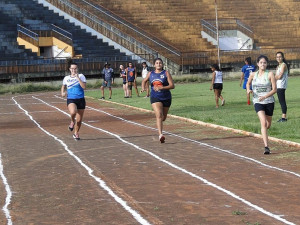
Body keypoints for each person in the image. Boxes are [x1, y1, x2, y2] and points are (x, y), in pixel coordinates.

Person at [246, 55, 277, 154]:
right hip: (257, 101)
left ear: (267, 64)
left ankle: (263, 131)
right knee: (263, 123)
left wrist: (265, 96)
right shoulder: (253, 74)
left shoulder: (270, 74)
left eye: (265, 63)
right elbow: (248, 83)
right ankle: (266, 147)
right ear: (257, 64)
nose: (263, 64)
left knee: (267, 125)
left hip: (269, 102)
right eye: (261, 62)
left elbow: (274, 89)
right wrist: (248, 89)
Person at [141, 58, 175, 143]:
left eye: (160, 63)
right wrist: (143, 88)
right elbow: (144, 81)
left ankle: (159, 123)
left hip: (166, 97)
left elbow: (172, 85)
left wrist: (162, 87)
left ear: (162, 64)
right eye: (157, 63)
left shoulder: (166, 73)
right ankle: (160, 135)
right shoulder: (150, 73)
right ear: (154, 65)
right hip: (155, 97)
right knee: (159, 115)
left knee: (163, 118)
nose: (158, 64)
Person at [61, 62, 86, 140]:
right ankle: (72, 121)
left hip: (81, 99)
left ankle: (76, 133)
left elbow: (84, 87)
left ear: (77, 69)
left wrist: (78, 78)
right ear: (70, 69)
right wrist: (62, 92)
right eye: (72, 68)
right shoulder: (66, 78)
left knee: (79, 120)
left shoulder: (81, 76)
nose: (74, 70)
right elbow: (63, 86)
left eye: (75, 68)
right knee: (73, 112)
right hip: (71, 99)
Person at [275, 51, 289, 122]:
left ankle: (283, 118)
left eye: (280, 57)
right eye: (277, 57)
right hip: (278, 85)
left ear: (282, 57)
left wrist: (272, 78)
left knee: (282, 101)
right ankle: (283, 117)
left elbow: (279, 76)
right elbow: (276, 76)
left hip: (281, 86)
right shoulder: (278, 66)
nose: (278, 58)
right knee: (281, 101)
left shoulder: (283, 65)